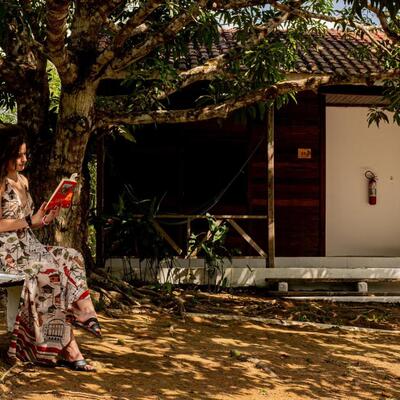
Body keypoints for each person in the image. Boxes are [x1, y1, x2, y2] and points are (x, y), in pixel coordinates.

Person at [0, 124, 101, 372]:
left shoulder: (23, 180)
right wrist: (29, 221)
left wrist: (45, 218)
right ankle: (68, 347)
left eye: (25, 154)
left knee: (72, 257)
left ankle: (84, 314)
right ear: (5, 154)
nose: (24, 160)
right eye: (19, 155)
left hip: (28, 243)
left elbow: (30, 220)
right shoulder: (0, 183)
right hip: (7, 250)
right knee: (50, 273)